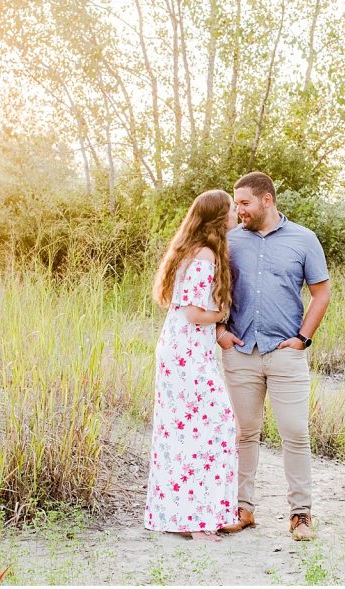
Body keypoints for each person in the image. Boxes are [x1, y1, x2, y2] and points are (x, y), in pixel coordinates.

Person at [217, 172, 331, 541]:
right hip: (241, 352)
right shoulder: (229, 241)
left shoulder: (304, 239)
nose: (239, 210)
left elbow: (321, 293)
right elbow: (214, 291)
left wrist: (302, 339)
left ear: (267, 200)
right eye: (236, 203)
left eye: (244, 203)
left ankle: (300, 514)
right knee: (244, 433)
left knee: (295, 433)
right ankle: (242, 509)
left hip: (285, 352)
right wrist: (220, 332)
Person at [144, 189, 242, 542]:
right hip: (186, 356)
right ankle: (194, 520)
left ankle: (189, 516)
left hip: (182, 352)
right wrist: (222, 315)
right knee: (213, 426)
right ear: (219, 218)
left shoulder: (193, 251)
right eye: (230, 210)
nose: (235, 215)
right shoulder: (203, 256)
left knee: (183, 432)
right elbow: (193, 312)